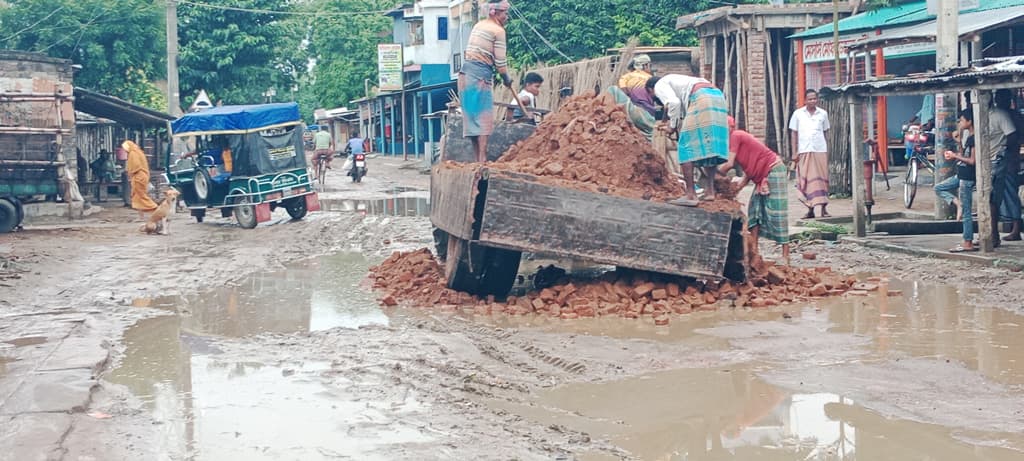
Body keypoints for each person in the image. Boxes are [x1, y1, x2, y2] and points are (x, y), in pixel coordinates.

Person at [718, 116, 790, 263]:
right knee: (754, 211)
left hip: (773, 170)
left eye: (726, 128)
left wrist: (714, 175)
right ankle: (755, 252)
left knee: (777, 211)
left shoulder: (736, 136)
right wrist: (738, 187)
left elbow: (729, 164)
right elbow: (750, 165)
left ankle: (786, 255)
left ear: (731, 128)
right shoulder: (732, 142)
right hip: (759, 176)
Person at [648, 74, 729, 202]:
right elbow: (676, 107)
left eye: (652, 95)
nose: (655, 97)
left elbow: (674, 103)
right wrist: (670, 120)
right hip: (717, 96)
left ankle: (690, 194)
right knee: (709, 145)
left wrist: (672, 127)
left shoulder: (659, 85)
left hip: (700, 97)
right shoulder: (678, 81)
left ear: (650, 89)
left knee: (685, 145)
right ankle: (710, 191)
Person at [460, 0, 514, 162]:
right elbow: (501, 64)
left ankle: (477, 159)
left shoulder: (478, 25)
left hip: (465, 74)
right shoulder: (498, 31)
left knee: (471, 119)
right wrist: (507, 79)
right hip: (480, 76)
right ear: (496, 13)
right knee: (483, 119)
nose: (507, 17)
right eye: (505, 13)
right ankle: (482, 160)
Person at [935, 110, 976, 252]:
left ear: (969, 121)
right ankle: (957, 203)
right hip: (961, 174)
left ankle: (968, 242)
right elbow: (965, 154)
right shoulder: (968, 137)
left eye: (962, 120)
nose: (960, 123)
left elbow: (972, 160)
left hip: (967, 177)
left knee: (967, 212)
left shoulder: (974, 138)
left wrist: (955, 156)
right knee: (939, 188)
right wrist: (957, 150)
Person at [789, 89, 831, 218]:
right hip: (804, 151)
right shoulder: (798, 114)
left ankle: (824, 209)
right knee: (806, 181)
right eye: (810, 99)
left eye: (814, 99)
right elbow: (794, 133)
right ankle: (810, 210)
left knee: (822, 180)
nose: (813, 101)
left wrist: (827, 149)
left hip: (820, 150)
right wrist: (794, 152)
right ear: (805, 100)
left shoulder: (823, 114)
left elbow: (826, 132)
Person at [987, 89, 1021, 247]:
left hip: (1007, 160)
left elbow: (1014, 138)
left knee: (1009, 193)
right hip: (1002, 160)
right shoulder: (996, 114)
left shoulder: (1008, 115)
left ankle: (1016, 228)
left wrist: (1008, 154)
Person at [124, 140, 157, 219]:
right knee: (137, 197)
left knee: (141, 196)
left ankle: (155, 208)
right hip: (140, 176)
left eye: (125, 148)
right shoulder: (138, 152)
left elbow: (136, 166)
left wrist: (130, 171)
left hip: (139, 176)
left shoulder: (133, 153)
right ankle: (141, 217)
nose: (125, 150)